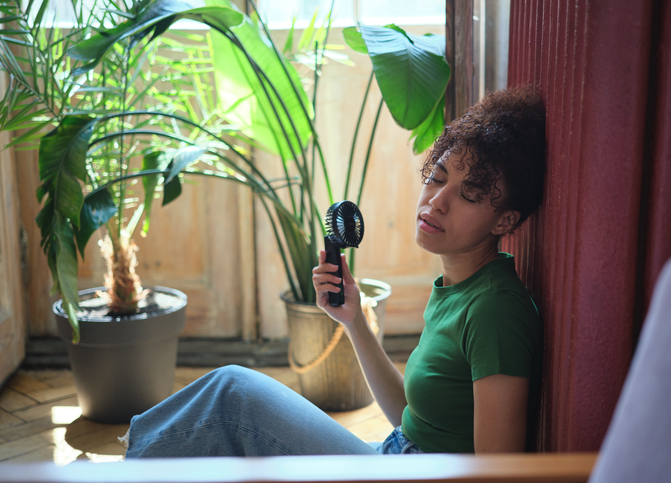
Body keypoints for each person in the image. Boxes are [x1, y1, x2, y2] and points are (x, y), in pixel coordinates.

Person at [122, 86, 546, 457]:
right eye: (436, 178)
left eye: (469, 195)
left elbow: (498, 472)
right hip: (393, 451)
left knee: (232, 396)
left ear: (505, 221)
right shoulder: (461, 286)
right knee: (228, 427)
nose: (437, 201)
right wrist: (354, 319)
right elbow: (408, 417)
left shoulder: (495, 311)